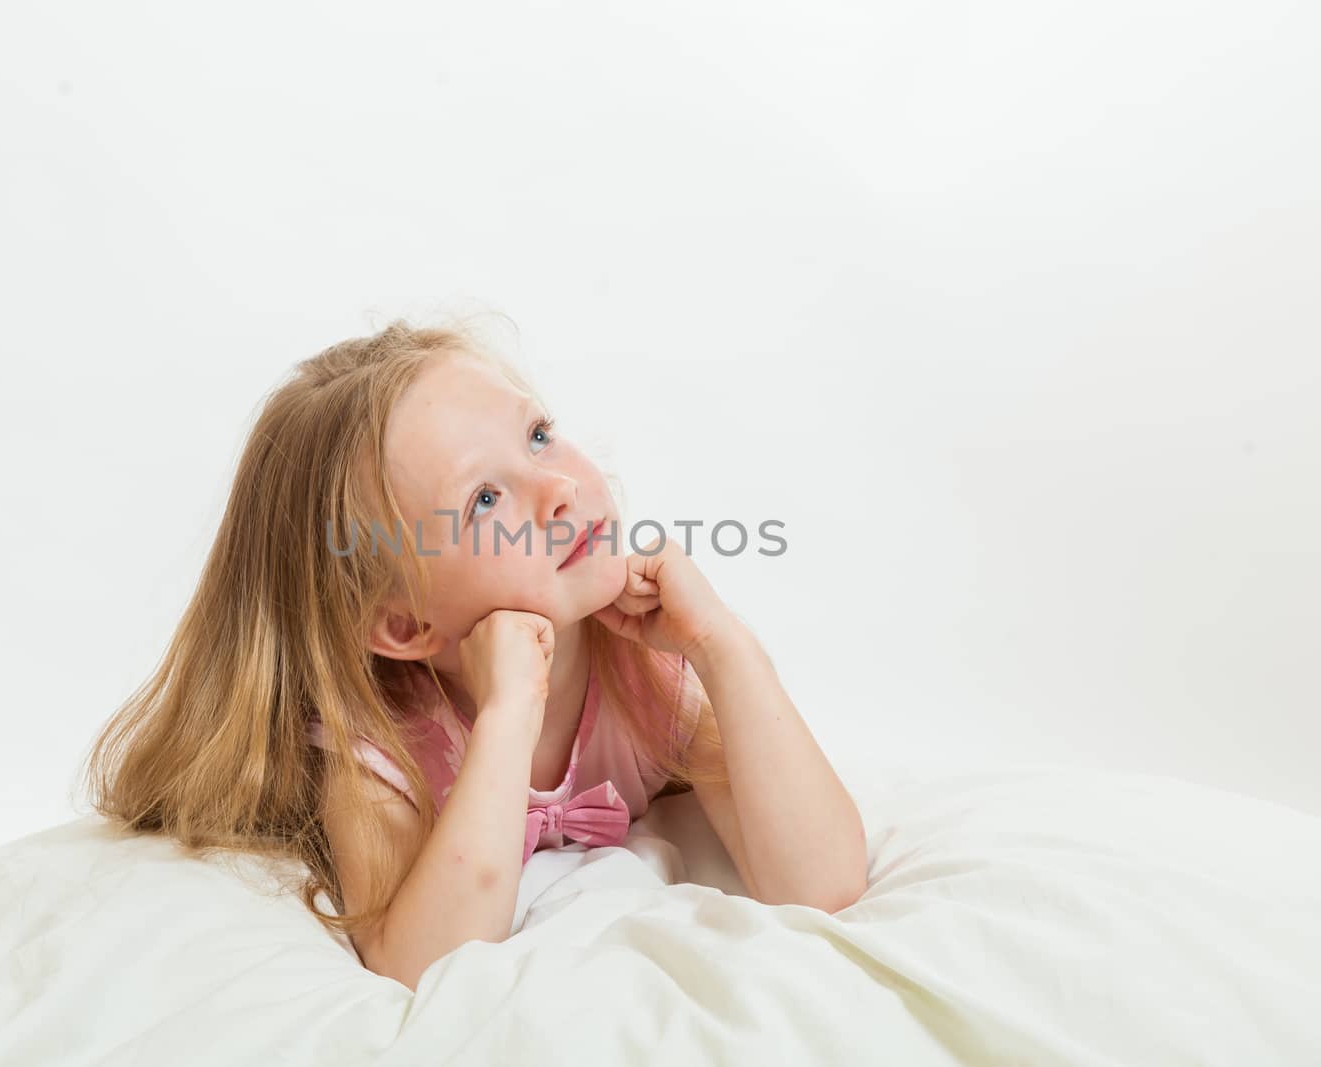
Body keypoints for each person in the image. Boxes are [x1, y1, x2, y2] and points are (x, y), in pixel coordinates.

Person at [80, 315, 867, 993]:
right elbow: (425, 968)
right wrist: (507, 717)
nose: (557, 485)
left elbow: (823, 884)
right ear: (404, 626)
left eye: (537, 435)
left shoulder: (644, 669)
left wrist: (722, 647)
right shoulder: (380, 741)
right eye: (485, 498)